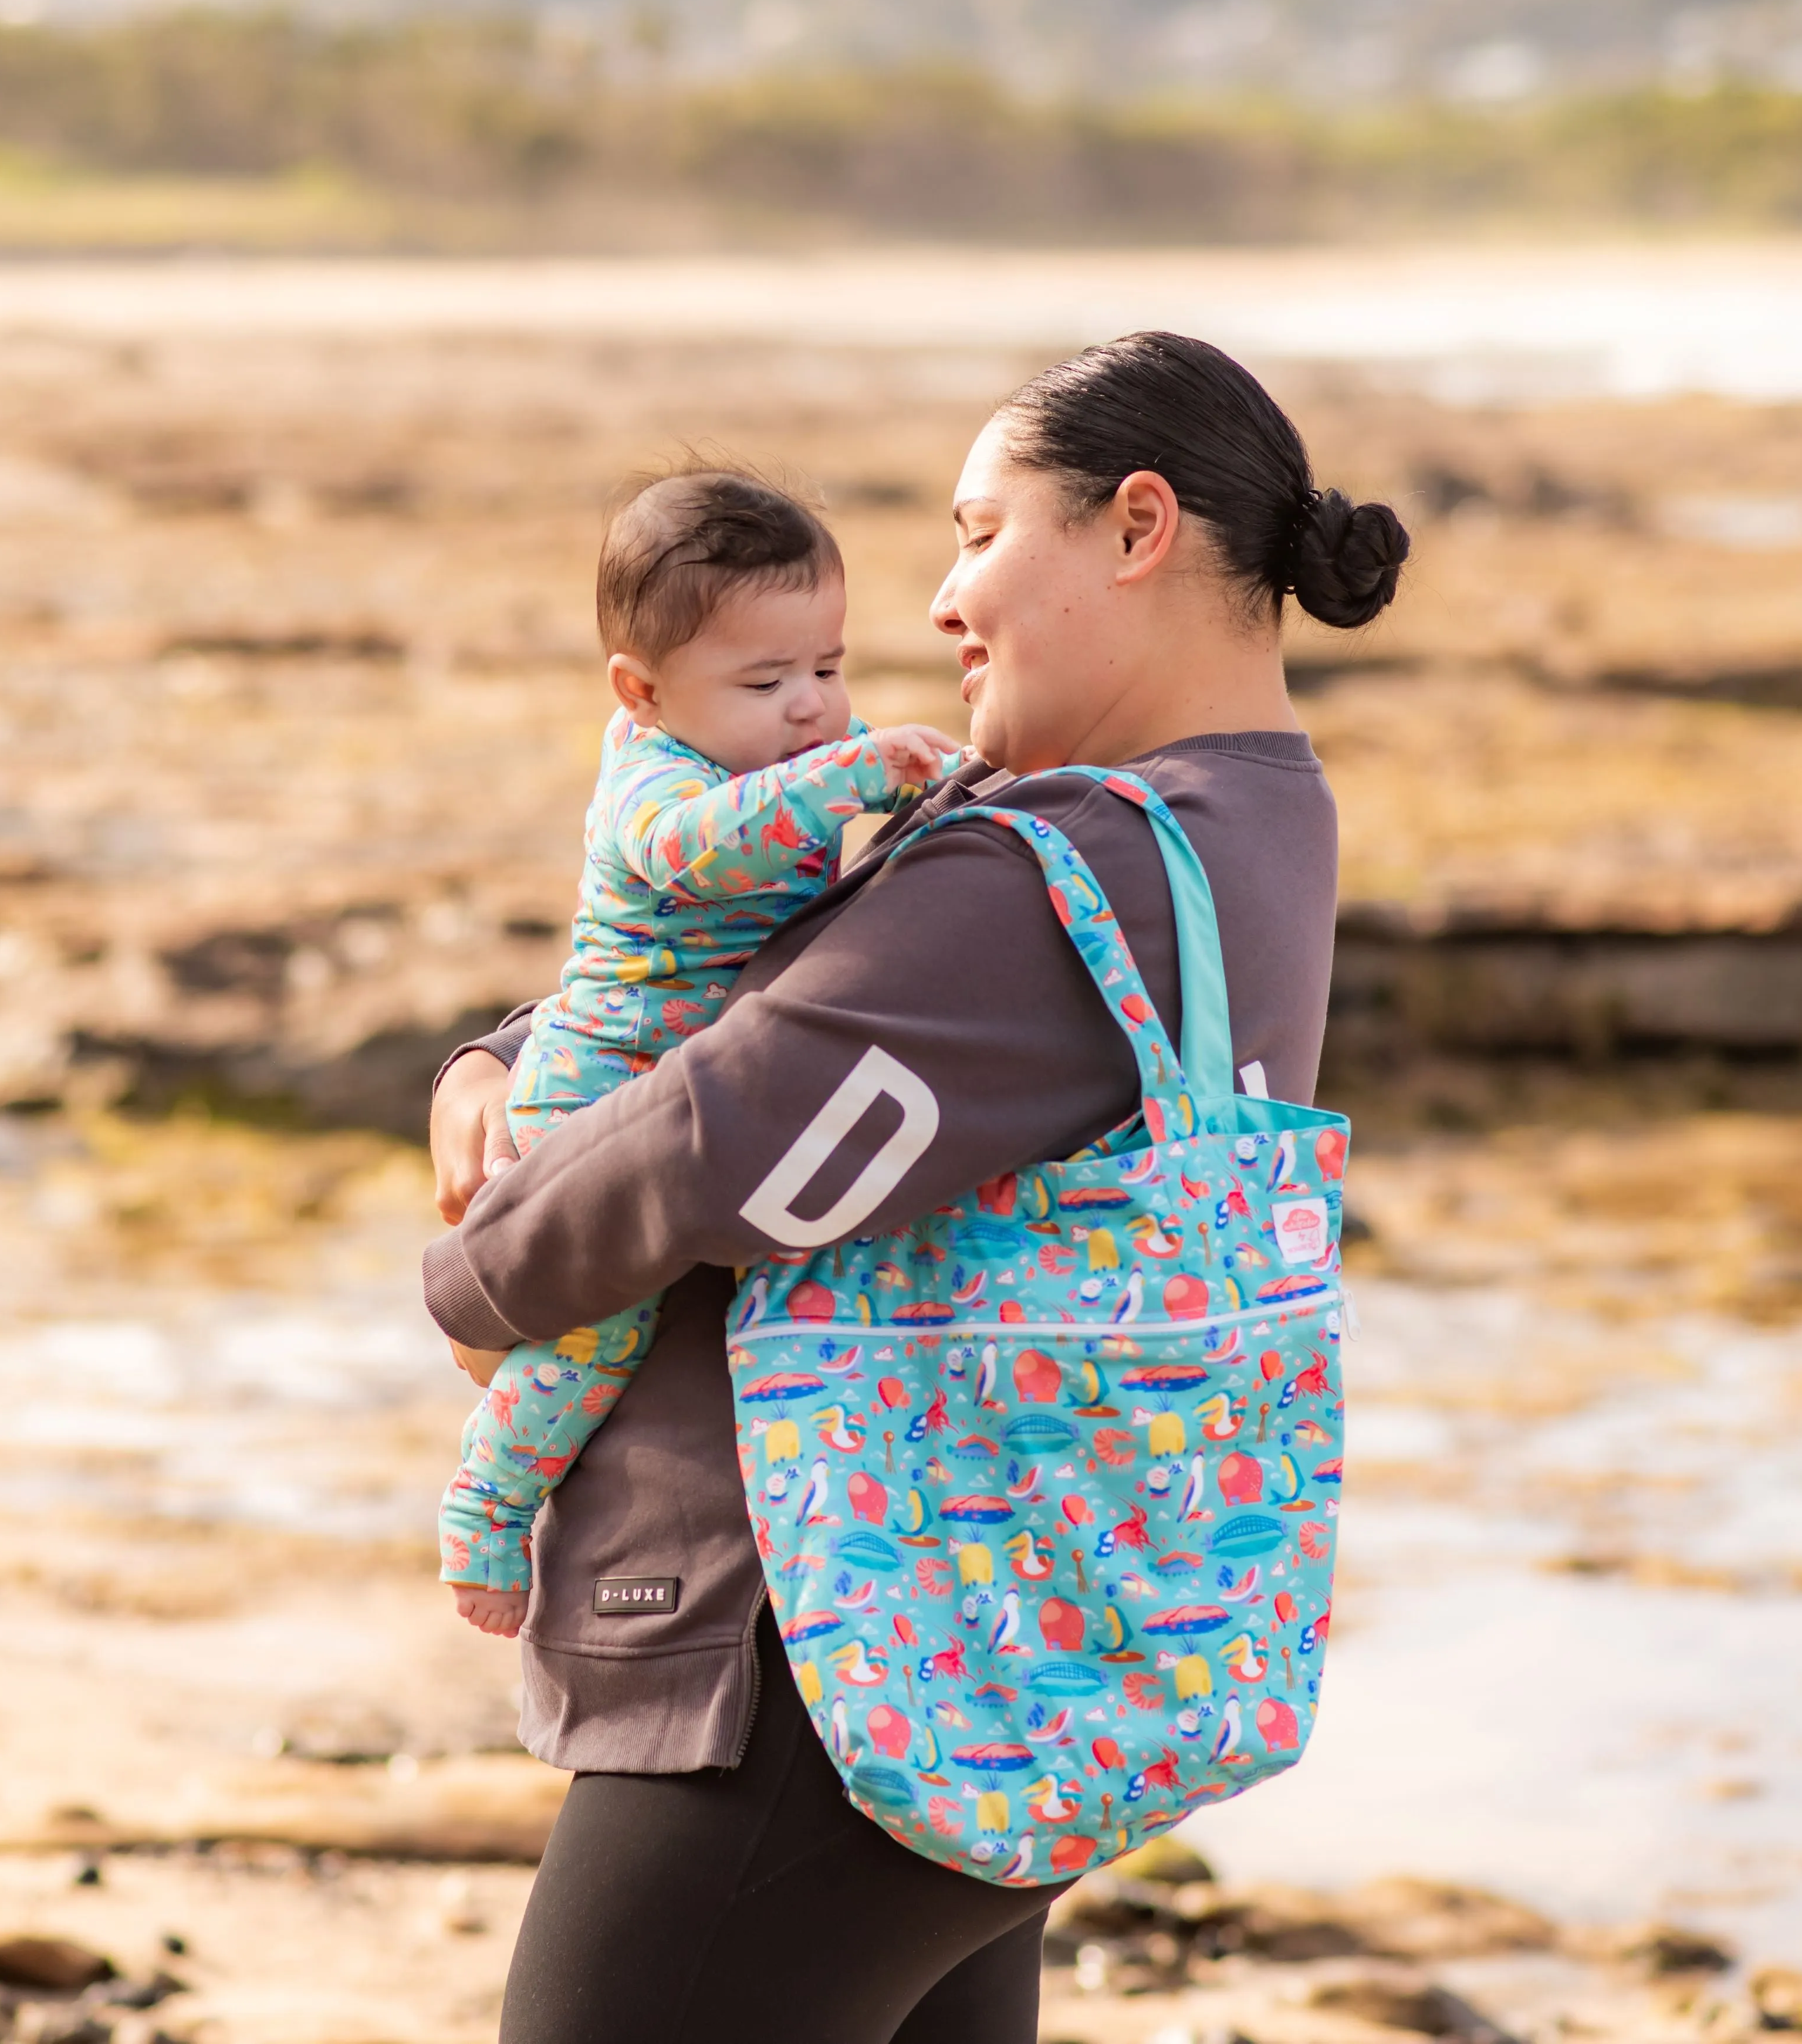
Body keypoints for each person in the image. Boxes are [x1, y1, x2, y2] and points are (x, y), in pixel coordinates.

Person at [424, 330, 1408, 2044]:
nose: (943, 603)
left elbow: (732, 1126)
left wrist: (486, 1280)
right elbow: (764, 985)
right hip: (1003, 1649)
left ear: (1138, 527)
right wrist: (500, 1055)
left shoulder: (1062, 863)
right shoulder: (1239, 820)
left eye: (978, 531)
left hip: (825, 1651)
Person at [439, 467, 958, 1638]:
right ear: (644, 689)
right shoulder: (656, 782)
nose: (813, 707)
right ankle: (487, 1505)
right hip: (594, 1091)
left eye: (830, 668)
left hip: (687, 1097)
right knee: (598, 1337)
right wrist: (853, 776)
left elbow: (878, 792)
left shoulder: (795, 748)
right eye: (768, 681)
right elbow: (700, 852)